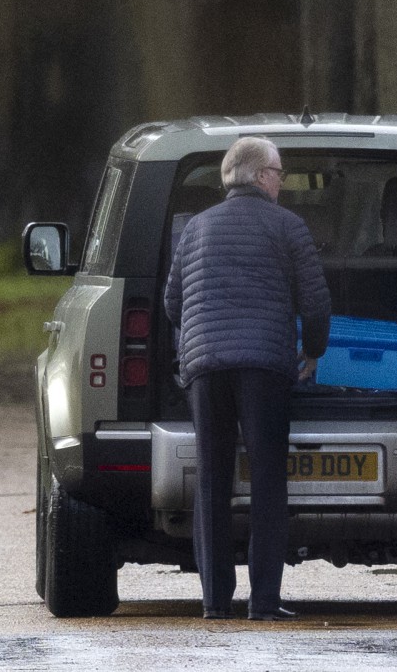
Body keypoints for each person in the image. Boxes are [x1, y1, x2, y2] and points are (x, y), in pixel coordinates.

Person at [164, 136, 331, 622]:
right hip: (264, 366)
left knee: (213, 483)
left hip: (205, 368)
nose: (281, 181)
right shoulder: (287, 226)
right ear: (260, 176)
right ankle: (263, 602)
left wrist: (196, 339)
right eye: (278, 172)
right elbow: (316, 302)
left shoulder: (196, 228)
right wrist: (314, 351)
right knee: (267, 481)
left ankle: (215, 603)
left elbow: (173, 303)